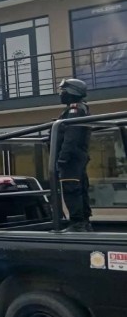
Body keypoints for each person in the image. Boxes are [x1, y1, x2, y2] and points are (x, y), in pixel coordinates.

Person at [55, 78, 92, 232]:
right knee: (79, 188)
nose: (61, 94)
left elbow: (71, 137)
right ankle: (83, 221)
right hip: (77, 157)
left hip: (71, 159)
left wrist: (62, 158)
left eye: (64, 91)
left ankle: (78, 223)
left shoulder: (74, 110)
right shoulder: (79, 109)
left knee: (72, 189)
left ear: (72, 92)